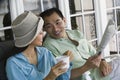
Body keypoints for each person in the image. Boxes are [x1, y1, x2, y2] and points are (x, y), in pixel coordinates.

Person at [40, 8, 120, 80]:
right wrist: (86, 67)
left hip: (102, 72)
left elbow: (94, 53)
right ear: (44, 29)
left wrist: (103, 61)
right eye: (49, 26)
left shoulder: (76, 33)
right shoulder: (48, 47)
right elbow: (61, 76)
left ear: (64, 21)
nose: (55, 29)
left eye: (58, 23)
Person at [6, 11, 72, 80]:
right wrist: (49, 78)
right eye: (38, 31)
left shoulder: (45, 52)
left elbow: (62, 78)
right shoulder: (14, 63)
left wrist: (65, 63)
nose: (42, 33)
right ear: (29, 37)